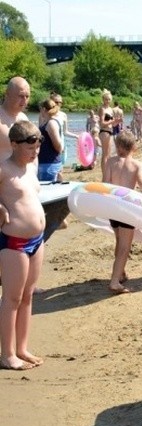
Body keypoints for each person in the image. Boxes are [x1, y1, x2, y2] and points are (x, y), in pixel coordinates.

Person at [0, 121, 46, 370]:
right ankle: (7, 354)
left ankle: (22, 348)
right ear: (14, 144)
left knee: (28, 296)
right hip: (13, 242)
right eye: (30, 147)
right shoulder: (4, 169)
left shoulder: (30, 168)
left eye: (37, 146)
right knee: (12, 298)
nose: (35, 152)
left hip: (36, 241)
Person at [102, 131, 142, 294]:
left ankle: (120, 273)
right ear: (134, 146)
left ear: (117, 146)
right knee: (124, 247)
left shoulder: (110, 162)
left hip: (113, 207)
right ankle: (114, 281)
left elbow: (105, 183)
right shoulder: (137, 165)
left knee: (119, 240)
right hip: (127, 209)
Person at [0, 77, 31, 160]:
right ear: (7, 94)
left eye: (27, 96)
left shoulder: (24, 118)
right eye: (21, 96)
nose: (24, 100)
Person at [37, 98, 64, 183]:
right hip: (46, 164)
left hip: (49, 165)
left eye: (40, 109)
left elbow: (59, 146)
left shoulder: (51, 123)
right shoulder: (47, 122)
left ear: (44, 109)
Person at [98, 89, 116, 174]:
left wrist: (117, 121)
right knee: (105, 154)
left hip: (110, 131)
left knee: (109, 154)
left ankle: (107, 173)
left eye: (109, 99)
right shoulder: (102, 109)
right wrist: (112, 121)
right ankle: (104, 174)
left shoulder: (111, 109)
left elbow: (112, 123)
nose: (107, 101)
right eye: (106, 99)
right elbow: (102, 123)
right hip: (104, 131)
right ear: (103, 99)